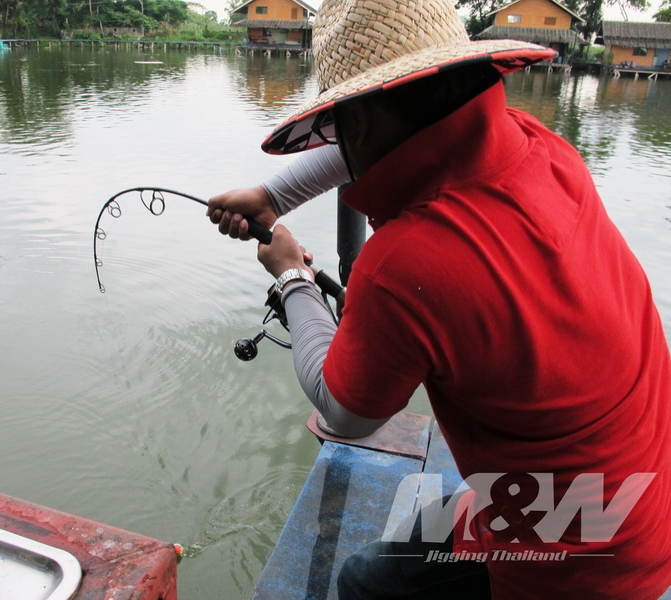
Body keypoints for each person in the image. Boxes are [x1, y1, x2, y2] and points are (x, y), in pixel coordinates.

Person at [207, 0, 671, 597]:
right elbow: (417, 142)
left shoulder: (405, 262)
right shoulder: (543, 150)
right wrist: (274, 196)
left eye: (339, 124)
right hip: (639, 501)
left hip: (579, 568)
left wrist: (292, 278)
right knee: (420, 530)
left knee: (363, 579)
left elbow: (344, 412)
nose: (338, 141)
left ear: (362, 125)